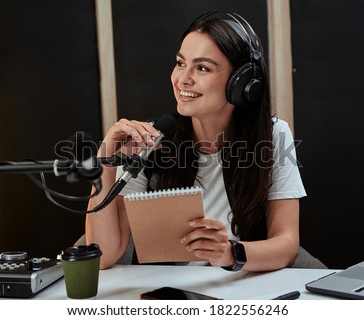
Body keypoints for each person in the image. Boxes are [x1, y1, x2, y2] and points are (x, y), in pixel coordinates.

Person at [86, 11, 306, 272]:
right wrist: (106, 160)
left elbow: (287, 242)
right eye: (180, 63)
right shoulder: (148, 141)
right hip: (170, 292)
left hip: (244, 284)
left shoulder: (273, 137)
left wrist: (229, 253)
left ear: (242, 82)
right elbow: (103, 255)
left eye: (202, 68)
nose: (183, 79)